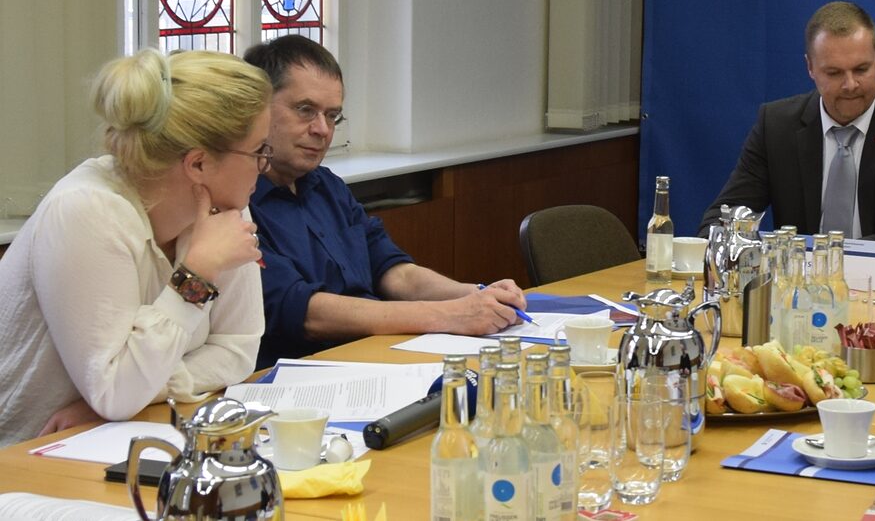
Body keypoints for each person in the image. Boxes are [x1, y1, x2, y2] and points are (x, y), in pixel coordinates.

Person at [0, 50, 269, 446]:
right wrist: (196, 275)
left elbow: (239, 349)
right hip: (24, 457)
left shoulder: (223, 208)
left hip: (111, 437)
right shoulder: (86, 211)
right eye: (259, 151)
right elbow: (114, 392)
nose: (266, 165)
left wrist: (148, 389)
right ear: (197, 165)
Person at [244, 36, 526, 368]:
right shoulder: (237, 202)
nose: (322, 129)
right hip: (303, 374)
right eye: (305, 110)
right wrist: (448, 314)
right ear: (258, 107)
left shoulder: (328, 186)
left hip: (375, 356)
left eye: (333, 115)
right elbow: (304, 312)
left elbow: (393, 272)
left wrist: (474, 294)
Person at [698, 1, 875, 259]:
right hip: (800, 289)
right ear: (810, 67)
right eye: (834, 73)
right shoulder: (776, 125)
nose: (850, 84)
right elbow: (722, 220)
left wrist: (828, 256)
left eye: (861, 69)